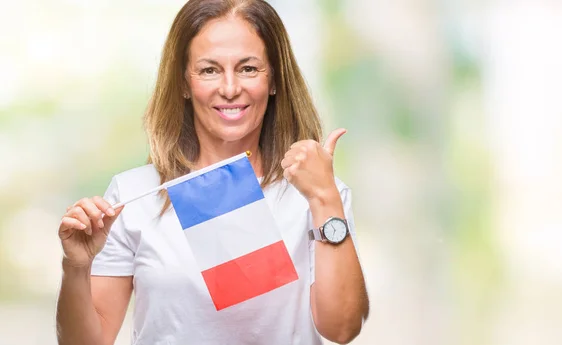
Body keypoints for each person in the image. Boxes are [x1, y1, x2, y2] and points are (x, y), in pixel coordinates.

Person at [55, 0, 369, 344]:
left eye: (248, 68)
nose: (230, 87)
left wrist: (325, 199)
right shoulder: (132, 195)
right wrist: (76, 267)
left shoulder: (316, 193)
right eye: (209, 70)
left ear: (274, 80)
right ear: (184, 84)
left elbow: (342, 329)